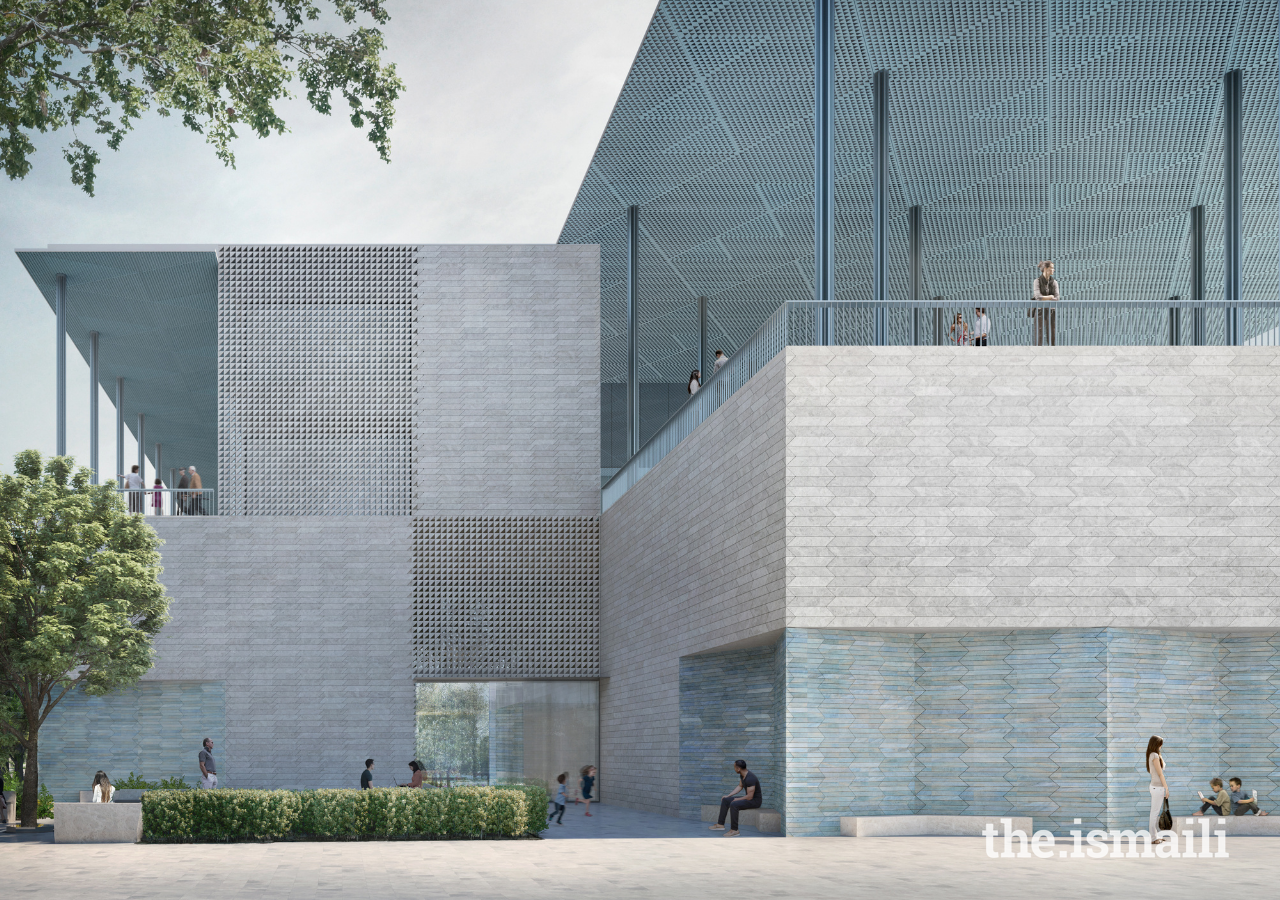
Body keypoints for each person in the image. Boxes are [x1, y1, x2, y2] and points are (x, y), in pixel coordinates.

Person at [709, 759, 761, 837]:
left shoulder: (750, 778)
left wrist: (737, 799)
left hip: (755, 801)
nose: (734, 769)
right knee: (725, 800)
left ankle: (734, 830)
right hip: (749, 798)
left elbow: (750, 797)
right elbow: (740, 786)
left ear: (738, 768)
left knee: (734, 804)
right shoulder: (743, 775)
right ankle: (720, 825)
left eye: (734, 767)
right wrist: (728, 795)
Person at [1029, 260, 1059, 346]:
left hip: (1051, 311)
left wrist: (1045, 298)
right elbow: (1038, 297)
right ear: (1045, 269)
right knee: (1039, 335)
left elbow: (1057, 297)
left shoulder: (1054, 282)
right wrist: (1050, 297)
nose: (1054, 270)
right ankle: (1038, 354)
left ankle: (1052, 353)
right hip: (1039, 311)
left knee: (1052, 335)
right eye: (1052, 268)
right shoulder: (1037, 281)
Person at [1146, 735, 1168, 842]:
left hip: (1155, 787)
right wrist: (1166, 788)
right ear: (1156, 744)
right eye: (1160, 744)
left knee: (1155, 813)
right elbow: (1160, 774)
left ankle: (1156, 836)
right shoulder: (1154, 755)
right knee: (1154, 813)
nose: (1161, 746)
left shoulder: (1154, 755)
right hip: (1157, 787)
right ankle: (1153, 838)